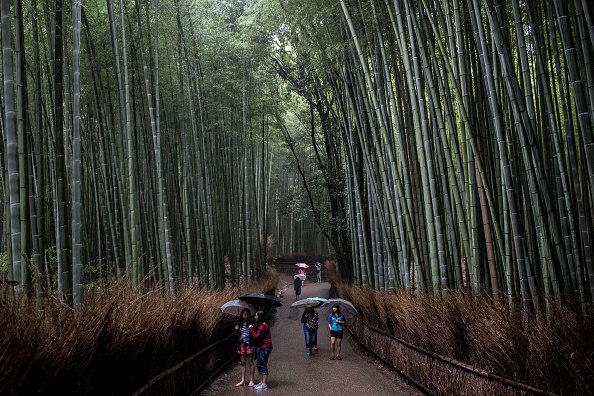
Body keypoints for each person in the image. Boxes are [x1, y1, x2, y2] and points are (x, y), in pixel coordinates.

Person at [249, 310, 273, 390]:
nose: (255, 317)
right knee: (259, 364)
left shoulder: (263, 326)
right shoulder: (261, 325)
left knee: (262, 364)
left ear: (259, 316)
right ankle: (261, 382)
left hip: (265, 347)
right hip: (263, 346)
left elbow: (256, 336)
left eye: (256, 315)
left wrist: (251, 329)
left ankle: (264, 384)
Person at [234, 308, 256, 387]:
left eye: (247, 314)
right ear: (242, 315)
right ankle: (243, 380)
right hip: (241, 344)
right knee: (243, 362)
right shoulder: (240, 323)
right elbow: (237, 336)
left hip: (249, 344)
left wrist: (252, 327)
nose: (246, 316)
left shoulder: (252, 323)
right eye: (244, 314)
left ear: (249, 315)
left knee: (251, 362)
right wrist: (236, 330)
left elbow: (254, 334)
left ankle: (251, 380)